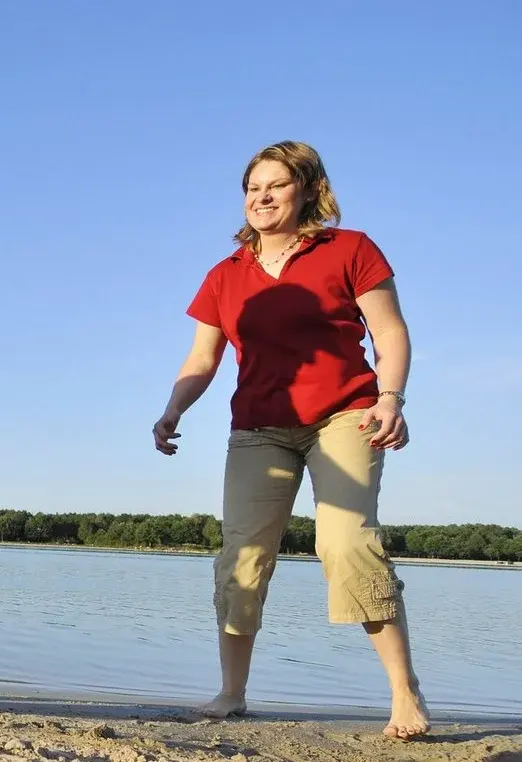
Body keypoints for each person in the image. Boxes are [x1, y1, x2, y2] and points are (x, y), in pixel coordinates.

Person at [151, 140, 428, 740]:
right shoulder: (224, 275)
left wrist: (391, 398)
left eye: (275, 185)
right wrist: (173, 409)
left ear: (306, 188)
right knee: (241, 557)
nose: (261, 197)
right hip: (258, 427)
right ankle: (231, 693)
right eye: (253, 188)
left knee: (348, 544)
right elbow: (203, 356)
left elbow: (390, 331)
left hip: (344, 414)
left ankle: (404, 694)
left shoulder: (349, 249)